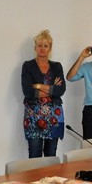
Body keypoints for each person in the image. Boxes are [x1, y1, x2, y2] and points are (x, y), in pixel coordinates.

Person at [21, 30, 66, 158]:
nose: (42, 49)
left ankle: (51, 179)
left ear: (50, 48)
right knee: (34, 155)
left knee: (51, 155)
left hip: (54, 116)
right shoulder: (28, 66)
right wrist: (51, 89)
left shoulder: (57, 66)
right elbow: (28, 92)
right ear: (35, 47)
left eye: (45, 46)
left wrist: (39, 86)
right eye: (39, 45)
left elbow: (60, 90)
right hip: (33, 116)